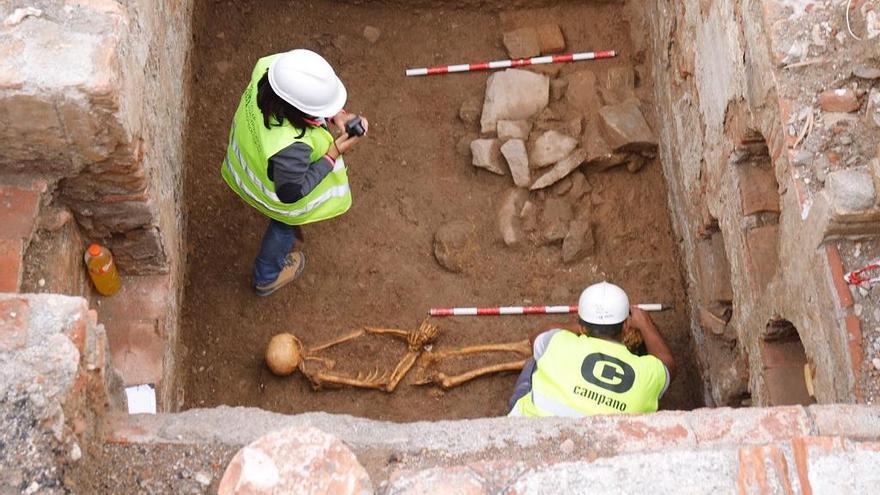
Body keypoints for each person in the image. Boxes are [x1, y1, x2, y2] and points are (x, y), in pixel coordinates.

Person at [221, 49, 368, 296]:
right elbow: (291, 193)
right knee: (284, 226)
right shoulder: (292, 147)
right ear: (301, 113)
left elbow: (297, 100)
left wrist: (337, 115)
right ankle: (266, 278)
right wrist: (332, 153)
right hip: (274, 194)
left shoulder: (270, 69)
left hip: (244, 162)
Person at [508, 282, 676, 417]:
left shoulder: (558, 342)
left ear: (582, 328)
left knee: (537, 359)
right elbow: (668, 365)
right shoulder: (647, 372)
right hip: (601, 456)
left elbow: (536, 338)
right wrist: (646, 325)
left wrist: (583, 329)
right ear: (626, 326)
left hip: (526, 432)